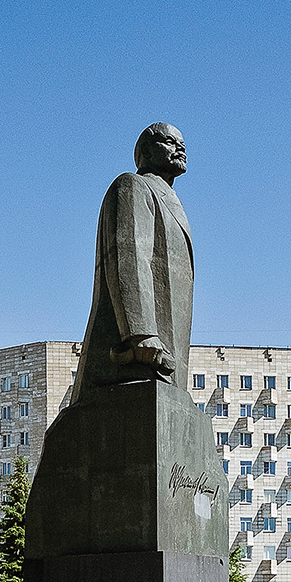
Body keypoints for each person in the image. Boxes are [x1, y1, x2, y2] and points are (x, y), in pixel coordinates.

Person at [73, 123, 194, 393]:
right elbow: (129, 257)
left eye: (182, 145)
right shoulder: (133, 185)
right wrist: (141, 333)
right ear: (146, 151)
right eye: (170, 142)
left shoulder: (170, 199)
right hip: (133, 353)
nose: (180, 149)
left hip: (166, 356)